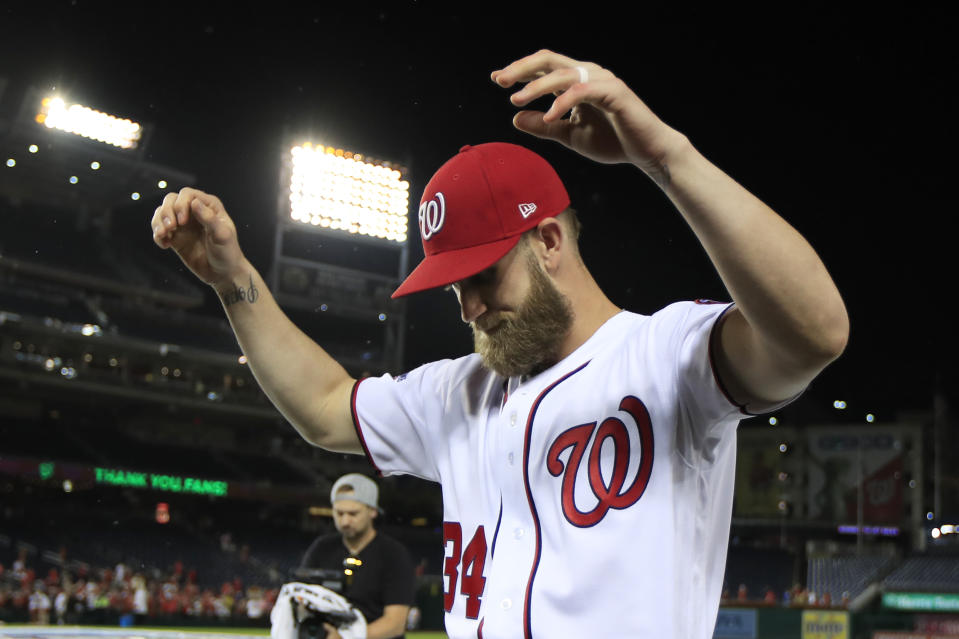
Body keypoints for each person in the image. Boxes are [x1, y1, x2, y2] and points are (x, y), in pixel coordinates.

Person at [151, 49, 848, 638]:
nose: (469, 306)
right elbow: (327, 405)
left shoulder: (665, 356)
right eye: (452, 286)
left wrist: (663, 155)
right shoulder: (461, 390)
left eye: (481, 274)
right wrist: (234, 281)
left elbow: (814, 332)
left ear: (547, 240)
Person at [294, 473, 415, 639]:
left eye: (353, 514)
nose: (345, 521)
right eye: (339, 513)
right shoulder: (321, 548)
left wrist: (346, 638)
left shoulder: (394, 554)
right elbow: (301, 600)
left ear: (372, 511)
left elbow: (395, 624)